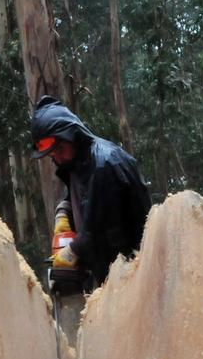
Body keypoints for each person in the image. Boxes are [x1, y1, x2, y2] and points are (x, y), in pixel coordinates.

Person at [31, 95, 151, 290]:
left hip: (132, 271)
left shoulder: (103, 165)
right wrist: (64, 211)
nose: (58, 158)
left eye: (60, 149)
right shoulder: (79, 164)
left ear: (73, 135)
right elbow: (78, 196)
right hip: (110, 273)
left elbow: (98, 230)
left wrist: (72, 251)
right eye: (53, 154)